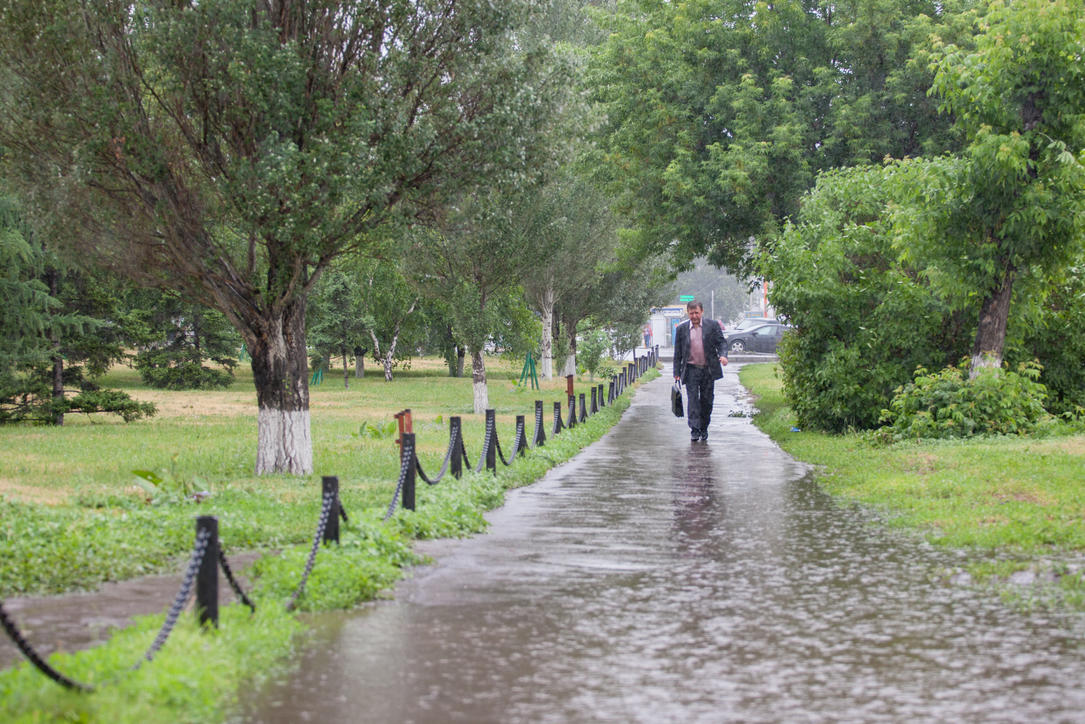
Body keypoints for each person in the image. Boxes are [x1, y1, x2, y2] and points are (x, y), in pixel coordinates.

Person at [672, 300, 728, 441]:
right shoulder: (682, 329)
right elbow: (677, 353)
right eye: (691, 313)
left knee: (707, 400)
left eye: (696, 312)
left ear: (702, 312)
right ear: (688, 313)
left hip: (708, 370)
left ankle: (704, 428)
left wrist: (723, 355)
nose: (694, 316)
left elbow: (722, 343)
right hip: (691, 370)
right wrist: (676, 373)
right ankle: (695, 430)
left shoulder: (712, 326)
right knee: (693, 401)